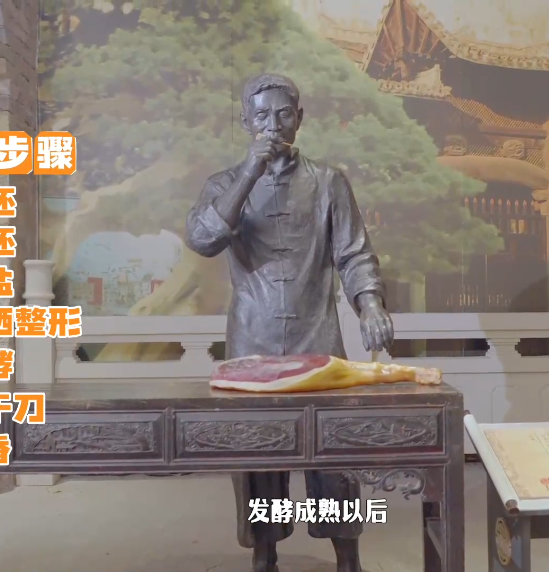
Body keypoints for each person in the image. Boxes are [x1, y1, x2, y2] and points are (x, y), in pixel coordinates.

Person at [185, 73, 394, 572]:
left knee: (334, 453)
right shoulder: (223, 184)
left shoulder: (328, 182)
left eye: (283, 113)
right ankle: (265, 554)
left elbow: (354, 254)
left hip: (317, 333)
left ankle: (347, 556)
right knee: (258, 456)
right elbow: (203, 239)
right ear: (245, 122)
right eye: (261, 115)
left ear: (299, 119)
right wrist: (249, 174)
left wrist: (370, 305)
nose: (273, 124)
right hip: (252, 338)